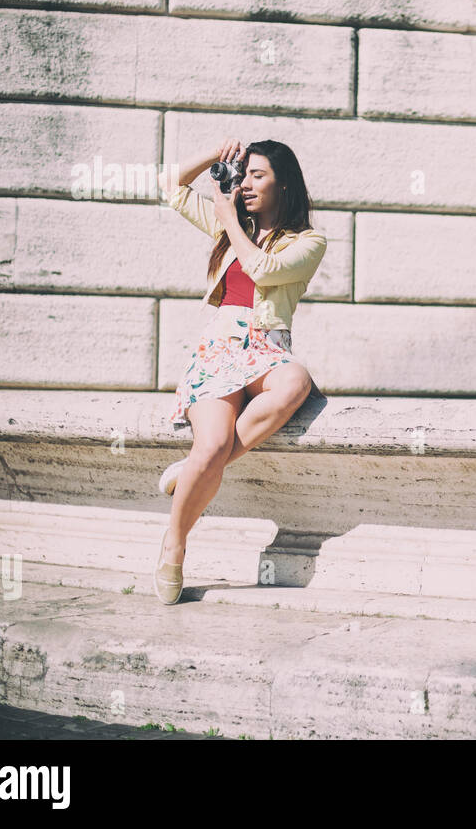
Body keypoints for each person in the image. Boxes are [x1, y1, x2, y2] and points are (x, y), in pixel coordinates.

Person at [153, 138, 327, 605]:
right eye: (242, 174)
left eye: (258, 175)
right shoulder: (232, 225)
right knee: (210, 445)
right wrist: (214, 155)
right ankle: (175, 543)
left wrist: (228, 218)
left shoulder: (308, 242)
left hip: (267, 350)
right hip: (220, 349)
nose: (245, 184)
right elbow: (170, 185)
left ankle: (191, 471)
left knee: (296, 379)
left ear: (283, 184)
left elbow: (265, 269)